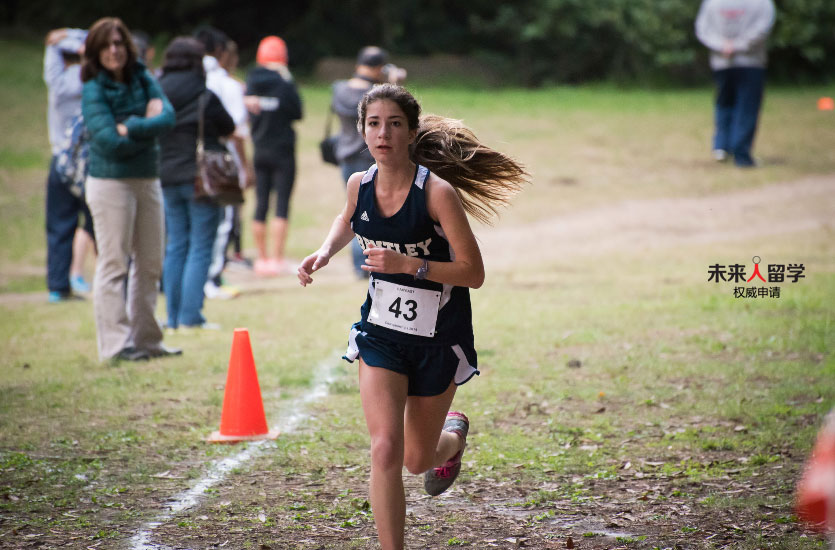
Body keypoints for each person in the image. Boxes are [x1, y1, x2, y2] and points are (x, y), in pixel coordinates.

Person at [297, 84, 528, 550]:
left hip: (438, 338)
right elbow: (348, 218)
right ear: (362, 131)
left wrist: (410, 265)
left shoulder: (437, 194)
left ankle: (452, 439)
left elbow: (474, 273)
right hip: (382, 332)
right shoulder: (358, 184)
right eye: (374, 123)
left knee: (417, 459)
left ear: (411, 131)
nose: (383, 133)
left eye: (395, 123)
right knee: (385, 447)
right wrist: (323, 252)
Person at [80, 17, 179, 362]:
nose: (113, 50)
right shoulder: (93, 87)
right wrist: (144, 130)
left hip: (147, 180)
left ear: (127, 46)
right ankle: (117, 346)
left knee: (151, 262)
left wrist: (131, 127)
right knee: (114, 263)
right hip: (110, 183)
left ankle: (148, 340)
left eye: (118, 43)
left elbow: (167, 117)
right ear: (96, 50)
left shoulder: (142, 76)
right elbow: (107, 140)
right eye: (106, 45)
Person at [158, 37, 235, 331]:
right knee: (201, 246)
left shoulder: (157, 92)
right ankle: (191, 317)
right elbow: (228, 126)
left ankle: (173, 317)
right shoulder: (204, 95)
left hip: (167, 176)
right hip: (202, 179)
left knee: (176, 244)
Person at [330, 46, 405, 277]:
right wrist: (393, 86)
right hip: (369, 159)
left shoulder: (340, 90)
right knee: (371, 213)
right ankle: (369, 265)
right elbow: (395, 112)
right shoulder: (375, 95)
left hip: (345, 158)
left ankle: (358, 265)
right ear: (379, 68)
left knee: (353, 210)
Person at [195, 27, 251, 299]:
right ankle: (212, 278)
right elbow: (235, 130)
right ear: (220, 52)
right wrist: (246, 166)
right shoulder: (227, 85)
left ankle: (199, 278)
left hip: (187, 158)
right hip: (222, 160)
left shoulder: (184, 77)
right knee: (223, 221)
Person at [43, 27, 96, 302]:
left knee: (60, 223)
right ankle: (110, 281)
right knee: (98, 222)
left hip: (61, 161)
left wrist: (62, 38)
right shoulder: (90, 80)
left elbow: (53, 44)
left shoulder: (57, 82)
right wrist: (83, 36)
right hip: (89, 162)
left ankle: (57, 285)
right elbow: (98, 39)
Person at [245, 36, 303, 276]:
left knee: (260, 204)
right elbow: (298, 112)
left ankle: (262, 259)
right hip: (283, 151)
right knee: (281, 204)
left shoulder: (251, 82)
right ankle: (277, 259)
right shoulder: (285, 83)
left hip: (259, 150)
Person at [695, 0, 775, 167]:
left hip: (721, 61)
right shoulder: (762, 3)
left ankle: (721, 146)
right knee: (746, 107)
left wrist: (722, 46)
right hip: (750, 61)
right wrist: (739, 45)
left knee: (724, 103)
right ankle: (741, 154)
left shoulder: (712, 3)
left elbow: (703, 30)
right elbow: (763, 27)